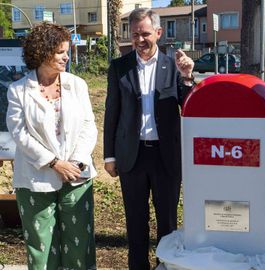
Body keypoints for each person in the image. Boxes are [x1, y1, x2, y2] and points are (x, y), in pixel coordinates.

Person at [103, 8, 195, 269]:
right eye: (135, 35)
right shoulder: (119, 67)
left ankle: (165, 266)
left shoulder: (173, 66)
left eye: (145, 34)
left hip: (165, 157)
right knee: (135, 222)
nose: (140, 40)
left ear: (158, 32)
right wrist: (109, 155)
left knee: (167, 223)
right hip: (132, 156)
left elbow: (189, 107)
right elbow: (112, 113)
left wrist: (188, 78)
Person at [6, 22, 97, 269]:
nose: (66, 57)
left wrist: (75, 163)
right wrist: (55, 163)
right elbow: (20, 133)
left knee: (80, 246)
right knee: (41, 247)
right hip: (36, 179)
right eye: (60, 52)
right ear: (43, 52)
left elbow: (89, 126)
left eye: (66, 51)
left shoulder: (77, 84)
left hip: (76, 176)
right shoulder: (18, 90)